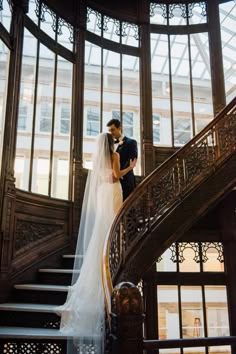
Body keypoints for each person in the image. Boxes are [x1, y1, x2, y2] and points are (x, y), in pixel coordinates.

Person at [55, 133, 136, 354]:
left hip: (102, 193)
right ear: (111, 144)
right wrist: (131, 167)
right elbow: (116, 176)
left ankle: (106, 252)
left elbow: (102, 178)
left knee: (104, 224)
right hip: (113, 191)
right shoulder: (115, 155)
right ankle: (112, 251)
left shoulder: (99, 158)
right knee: (112, 224)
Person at [107, 118, 138, 200]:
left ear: (119, 128)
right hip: (112, 183)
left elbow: (132, 162)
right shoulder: (108, 144)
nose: (111, 133)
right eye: (109, 131)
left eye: (113, 130)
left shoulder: (131, 142)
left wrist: (117, 175)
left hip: (126, 181)